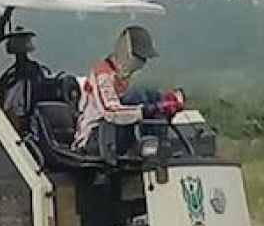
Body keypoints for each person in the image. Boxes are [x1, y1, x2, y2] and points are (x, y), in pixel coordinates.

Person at [73, 25, 184, 156]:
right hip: (96, 137)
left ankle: (161, 148)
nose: (142, 63)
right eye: (139, 57)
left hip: (118, 133)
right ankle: (152, 148)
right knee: (138, 95)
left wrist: (166, 104)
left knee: (151, 93)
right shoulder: (102, 73)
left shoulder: (125, 76)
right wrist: (148, 110)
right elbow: (111, 112)